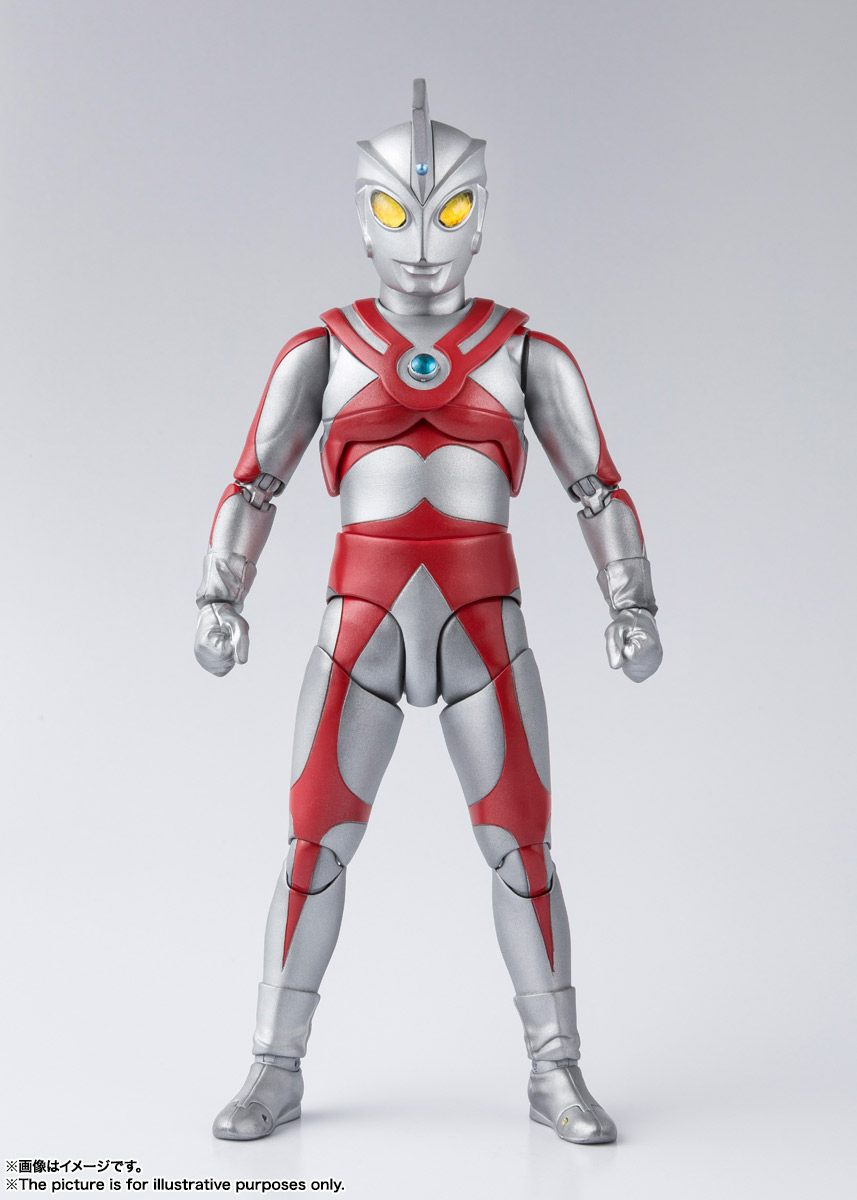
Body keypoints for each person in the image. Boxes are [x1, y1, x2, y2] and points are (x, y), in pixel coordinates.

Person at [194, 80, 662, 1144]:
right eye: (395, 212)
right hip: (357, 627)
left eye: (446, 211)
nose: (418, 243)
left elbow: (596, 486)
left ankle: (555, 1070)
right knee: (312, 849)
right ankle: (273, 1063)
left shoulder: (524, 351)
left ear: (480, 215)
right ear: (362, 216)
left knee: (522, 852)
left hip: (482, 629)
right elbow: (254, 481)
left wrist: (628, 601)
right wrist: (221, 592)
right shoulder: (322, 350)